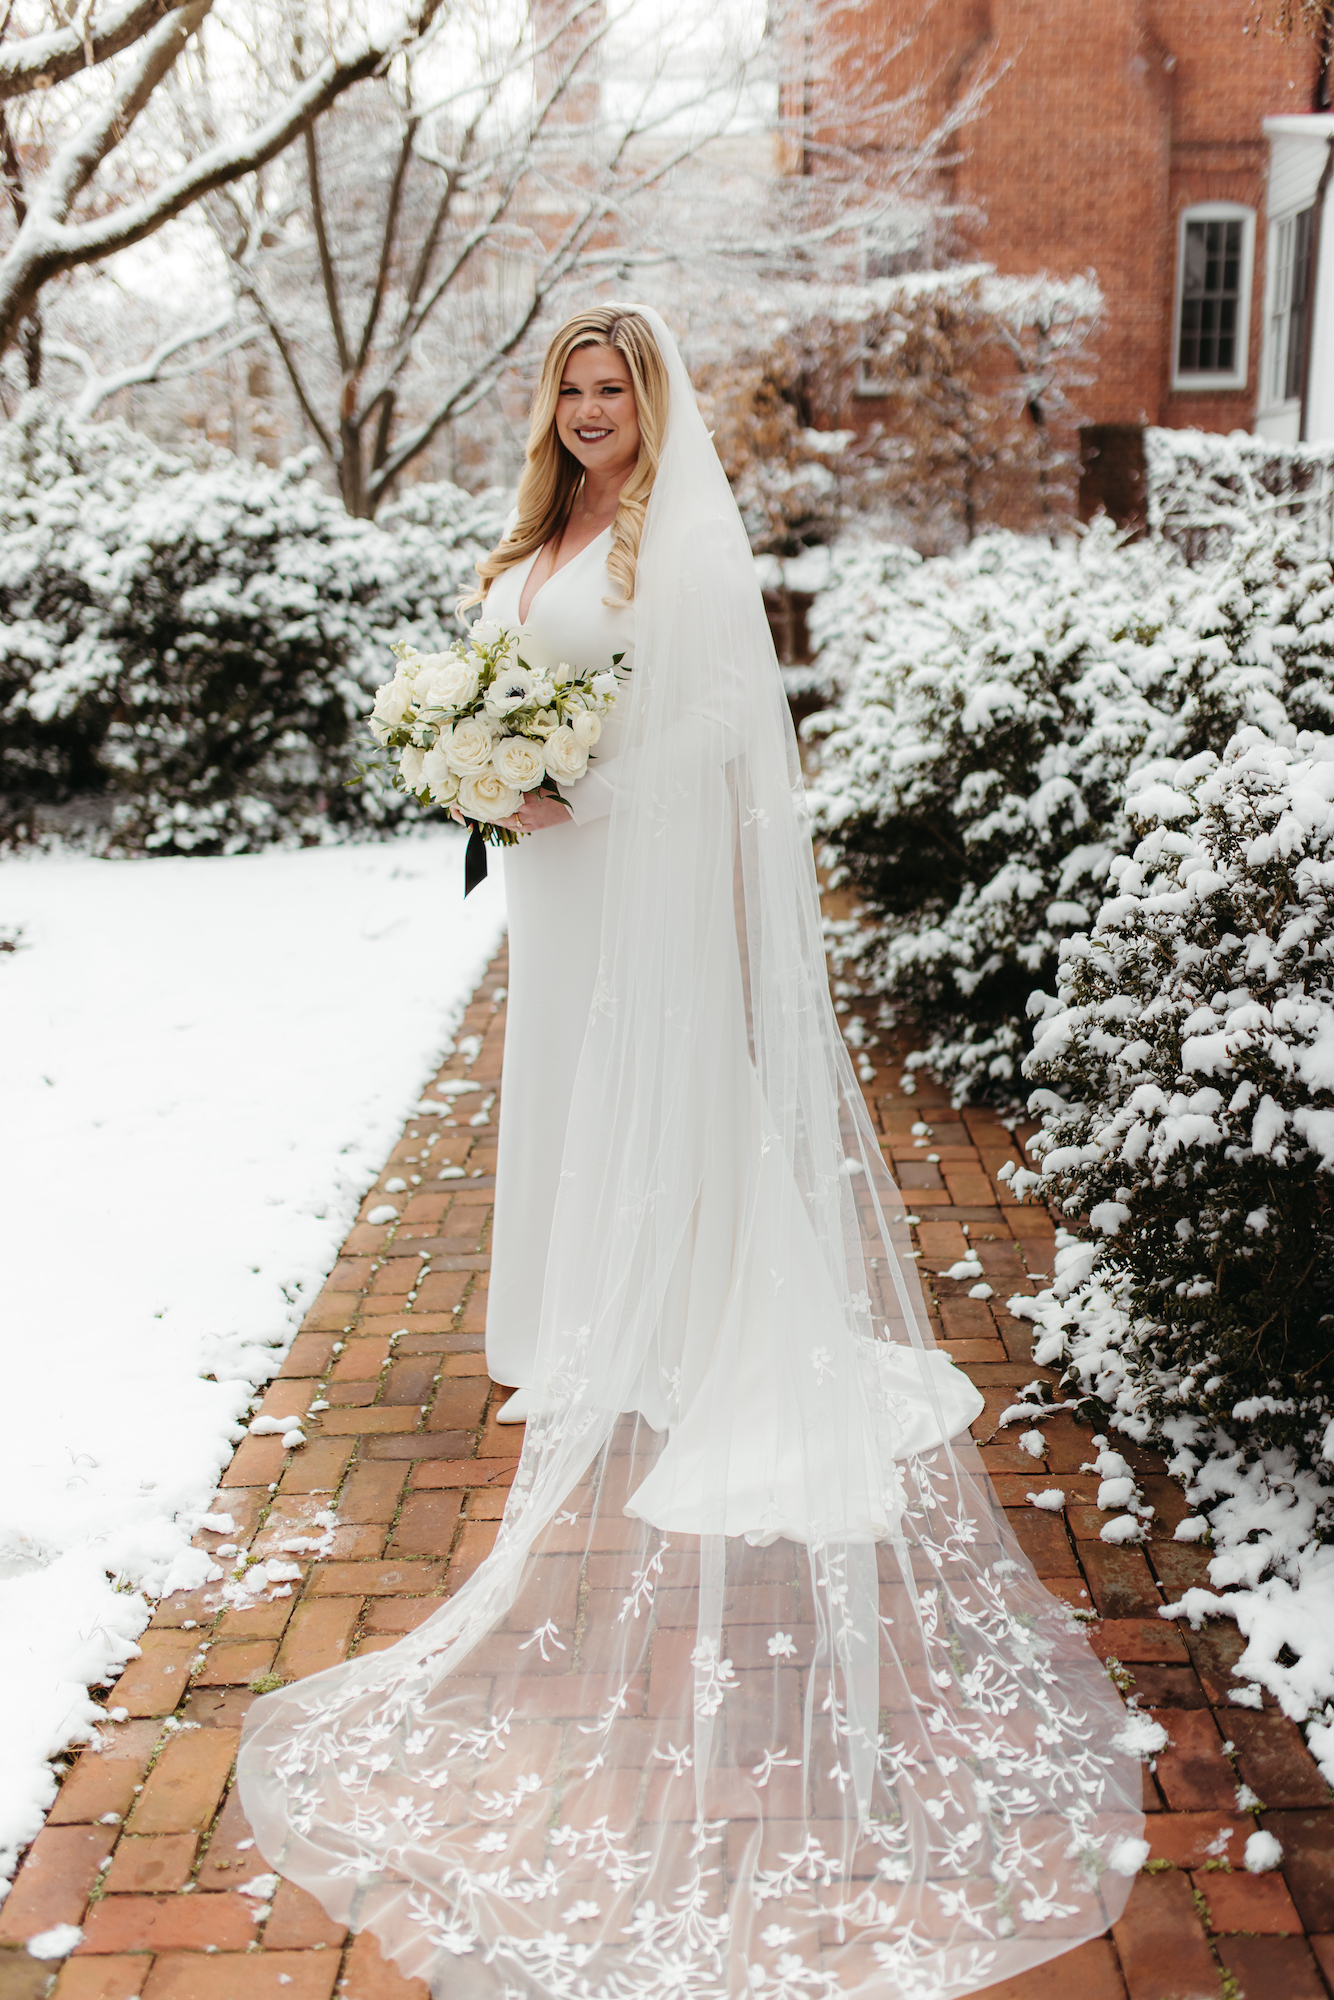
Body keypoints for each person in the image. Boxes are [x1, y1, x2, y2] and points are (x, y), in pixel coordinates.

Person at [237, 305, 1143, 2000]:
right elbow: (513, 686)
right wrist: (480, 766)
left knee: (669, 1096)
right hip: (551, 880)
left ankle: (712, 1328)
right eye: (571, 389)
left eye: (614, 388)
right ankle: (607, 1316)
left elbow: (722, 737)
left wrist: (580, 780)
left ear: (651, 403)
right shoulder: (538, 531)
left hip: (630, 872)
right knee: (574, 1100)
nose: (590, 412)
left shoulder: (680, 546)